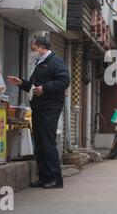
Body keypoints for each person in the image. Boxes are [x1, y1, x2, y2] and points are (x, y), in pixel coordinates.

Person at [7, 37, 70, 189]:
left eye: (34, 49)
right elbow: (34, 87)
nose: (32, 52)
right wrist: (21, 82)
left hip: (50, 107)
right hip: (39, 106)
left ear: (42, 48)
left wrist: (45, 88)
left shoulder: (55, 61)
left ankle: (56, 178)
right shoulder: (40, 64)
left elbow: (64, 81)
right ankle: (44, 176)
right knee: (40, 143)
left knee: (47, 142)